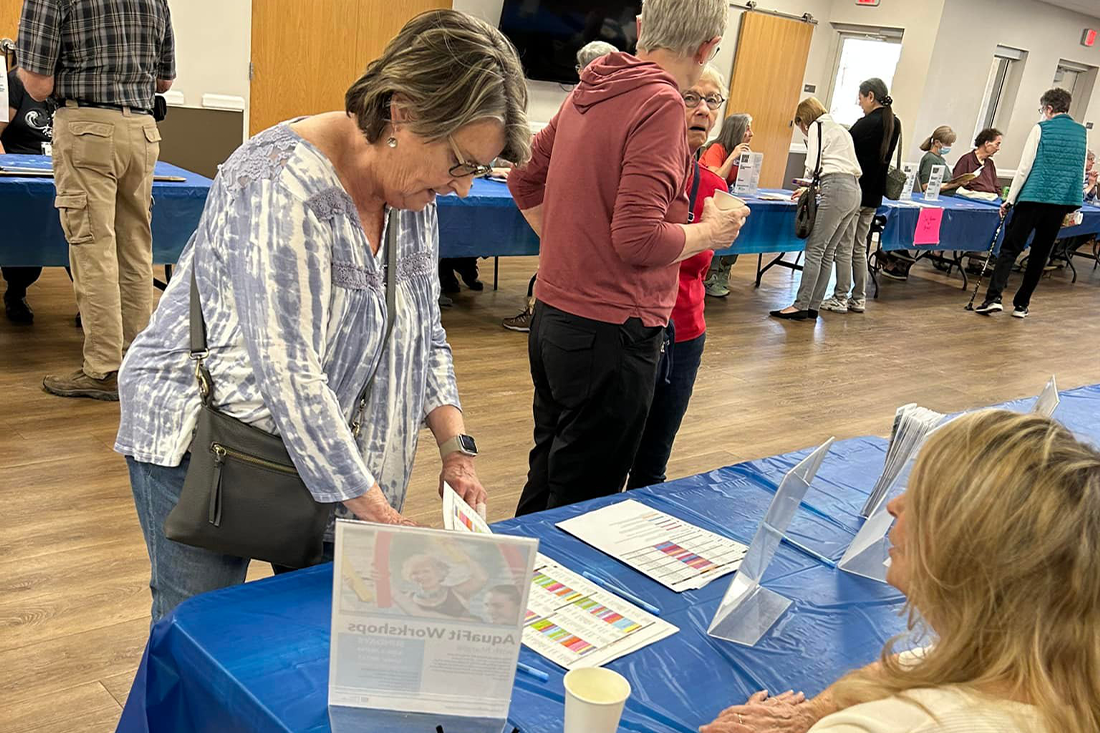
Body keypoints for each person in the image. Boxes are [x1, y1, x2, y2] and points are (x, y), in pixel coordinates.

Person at [114, 10, 527, 621]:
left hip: (324, 459)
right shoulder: (277, 183)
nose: (464, 188)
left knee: (325, 628)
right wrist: (383, 520)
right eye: (460, 162)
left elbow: (423, 333)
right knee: (201, 628)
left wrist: (455, 448)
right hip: (205, 444)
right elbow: (291, 379)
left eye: (478, 171)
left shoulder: (412, 192)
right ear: (403, 112)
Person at [701, 410, 1100, 733]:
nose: (895, 504)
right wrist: (811, 713)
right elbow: (908, 665)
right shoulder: (1049, 656)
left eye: (924, 497)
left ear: (967, 550)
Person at [509, 0, 750, 516]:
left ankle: (518, 587)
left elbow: (524, 177)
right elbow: (639, 241)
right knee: (582, 502)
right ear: (708, 48)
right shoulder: (660, 103)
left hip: (557, 319)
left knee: (550, 474)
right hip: (612, 331)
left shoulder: (593, 88)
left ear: (640, 30)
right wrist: (710, 230)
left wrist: (568, 251)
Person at [17, 0, 175, 400]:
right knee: (137, 250)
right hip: (142, 131)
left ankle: (104, 368)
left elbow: (38, 85)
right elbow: (164, 82)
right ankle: (137, 362)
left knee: (93, 250)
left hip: (86, 128)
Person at [627, 65, 727, 490]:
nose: (702, 109)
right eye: (691, 98)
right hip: (629, 332)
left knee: (653, 465)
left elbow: (700, 264)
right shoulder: (637, 172)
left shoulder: (715, 185)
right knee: (602, 462)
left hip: (685, 333)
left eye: (712, 101)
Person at [500, 40, 617, 333]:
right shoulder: (583, 107)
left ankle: (536, 313)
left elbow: (523, 175)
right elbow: (524, 175)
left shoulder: (575, 106)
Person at [976, 88, 1086, 318]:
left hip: (1033, 198)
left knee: (1009, 248)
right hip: (1059, 204)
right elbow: (1078, 169)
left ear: (1048, 108)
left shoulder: (1041, 128)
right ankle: (1022, 305)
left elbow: (1025, 167)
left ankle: (993, 298)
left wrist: (1010, 199)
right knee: (1040, 254)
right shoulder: (1081, 133)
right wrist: (1073, 203)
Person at [770, 97, 861, 321]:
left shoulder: (817, 127)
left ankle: (800, 304)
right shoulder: (841, 129)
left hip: (836, 187)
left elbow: (813, 164)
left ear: (803, 120)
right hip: (855, 191)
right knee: (828, 251)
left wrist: (808, 187)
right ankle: (814, 306)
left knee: (815, 249)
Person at [822, 79, 898, 314]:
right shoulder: (894, 122)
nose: (859, 102)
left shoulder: (865, 124)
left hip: (855, 193)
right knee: (859, 248)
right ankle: (859, 298)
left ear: (871, 96)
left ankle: (840, 297)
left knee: (844, 248)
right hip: (875, 197)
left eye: (861, 97)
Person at [0, 58, 52, 324]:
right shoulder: (16, 81)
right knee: (26, 226)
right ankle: (16, 292)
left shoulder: (77, 86)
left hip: (65, 172)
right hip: (22, 175)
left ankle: (90, 300)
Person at [699, 112, 752, 297]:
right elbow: (716, 179)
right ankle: (711, 276)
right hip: (704, 200)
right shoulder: (716, 148)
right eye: (747, 130)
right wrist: (733, 157)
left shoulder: (741, 153)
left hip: (724, 200)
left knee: (740, 224)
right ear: (737, 131)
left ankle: (723, 271)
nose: (751, 134)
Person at [952, 127, 1002, 197]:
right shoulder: (966, 160)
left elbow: (997, 186)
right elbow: (956, 183)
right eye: (997, 144)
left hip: (991, 199)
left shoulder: (990, 163)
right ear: (987, 143)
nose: (998, 148)